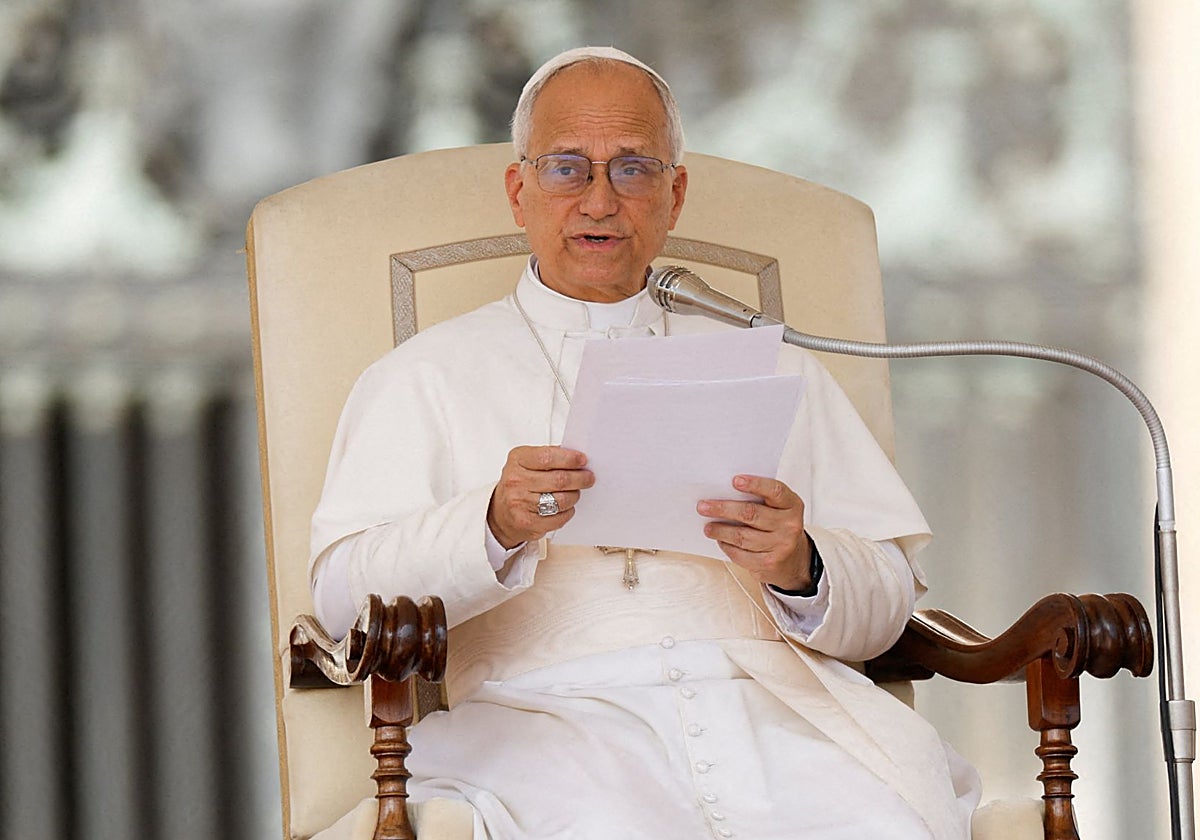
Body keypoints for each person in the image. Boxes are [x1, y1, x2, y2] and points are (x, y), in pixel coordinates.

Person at [309, 46, 979, 839]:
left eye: (633, 168)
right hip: (543, 726)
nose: (599, 200)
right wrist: (491, 523)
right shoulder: (422, 376)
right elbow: (342, 600)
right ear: (519, 192)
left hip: (780, 718)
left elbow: (887, 600)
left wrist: (802, 566)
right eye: (567, 168)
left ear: (675, 195)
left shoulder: (774, 363)